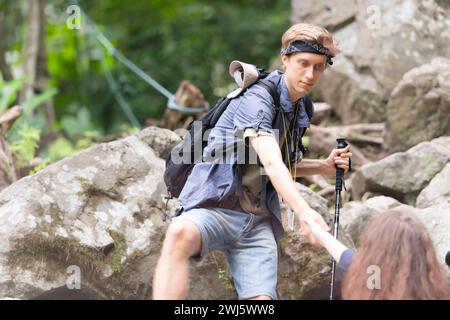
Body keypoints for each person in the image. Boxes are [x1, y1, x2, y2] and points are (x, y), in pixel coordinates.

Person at [153, 23, 352, 300]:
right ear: (285, 59)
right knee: (179, 233)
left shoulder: (301, 105)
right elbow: (270, 162)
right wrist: (304, 212)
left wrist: (323, 167)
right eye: (303, 63)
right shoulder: (257, 99)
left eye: (319, 67)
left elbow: (279, 163)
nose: (310, 74)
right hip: (216, 208)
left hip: (257, 221)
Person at [303, 209, 450, 300]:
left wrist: (317, 230)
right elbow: (346, 257)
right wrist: (320, 234)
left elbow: (348, 259)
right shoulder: (436, 290)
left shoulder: (371, 278)